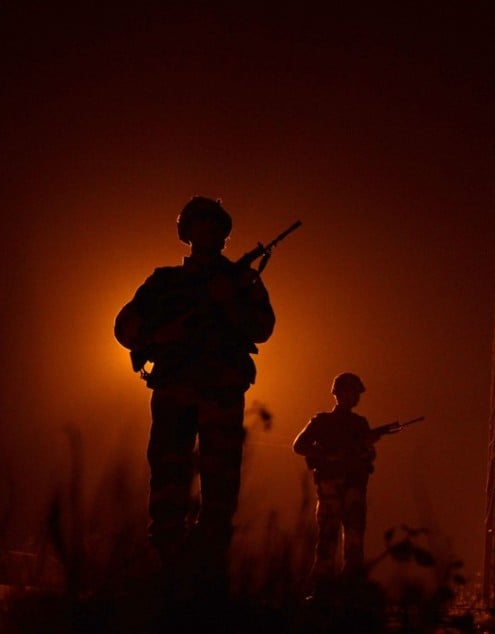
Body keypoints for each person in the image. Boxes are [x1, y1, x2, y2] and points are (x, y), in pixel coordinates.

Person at [114, 195, 276, 595]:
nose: (208, 231)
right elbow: (125, 329)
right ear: (187, 232)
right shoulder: (164, 282)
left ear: (224, 234)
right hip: (175, 392)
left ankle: (208, 579)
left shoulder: (243, 281)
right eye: (199, 224)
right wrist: (159, 336)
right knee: (168, 483)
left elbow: (262, 329)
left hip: (220, 393)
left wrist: (230, 305)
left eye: (215, 224)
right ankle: (166, 573)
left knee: (220, 491)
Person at [293, 372, 398, 593]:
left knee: (354, 539)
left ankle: (350, 588)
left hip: (353, 487)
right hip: (331, 485)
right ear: (339, 394)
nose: (354, 398)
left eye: (356, 394)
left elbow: (368, 455)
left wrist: (362, 449)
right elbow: (299, 446)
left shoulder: (360, 424)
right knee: (328, 537)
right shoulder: (321, 421)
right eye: (351, 392)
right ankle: (322, 588)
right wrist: (327, 455)